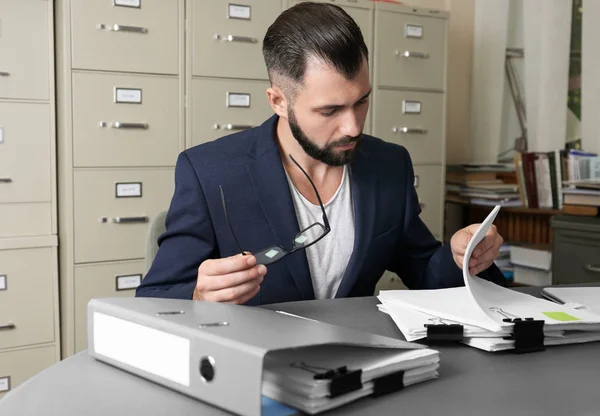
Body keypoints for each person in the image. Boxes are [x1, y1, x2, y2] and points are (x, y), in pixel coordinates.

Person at [136, 2, 505, 305]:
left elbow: (424, 270)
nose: (353, 127)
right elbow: (154, 298)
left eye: (362, 102)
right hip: (255, 376)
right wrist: (199, 295)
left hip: (358, 371)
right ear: (279, 101)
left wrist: (465, 256)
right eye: (330, 111)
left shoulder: (389, 165)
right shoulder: (210, 172)